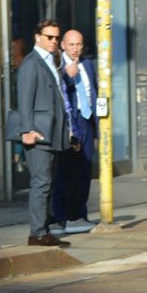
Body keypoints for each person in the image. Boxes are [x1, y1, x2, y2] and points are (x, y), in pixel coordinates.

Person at [15, 20, 70, 247]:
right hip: (38, 133)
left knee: (47, 182)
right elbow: (24, 99)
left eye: (57, 38)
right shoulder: (31, 63)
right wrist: (27, 130)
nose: (54, 42)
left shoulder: (52, 61)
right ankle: (37, 233)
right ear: (37, 37)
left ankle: (44, 228)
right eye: (50, 37)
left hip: (52, 132)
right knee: (41, 182)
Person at [50, 28, 97, 235]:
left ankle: (80, 214)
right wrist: (67, 77)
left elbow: (92, 89)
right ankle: (63, 216)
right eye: (71, 45)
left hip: (87, 121)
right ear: (63, 45)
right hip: (70, 121)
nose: (76, 49)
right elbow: (58, 93)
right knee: (67, 171)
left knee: (85, 170)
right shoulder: (57, 66)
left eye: (79, 44)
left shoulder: (87, 64)